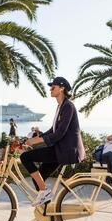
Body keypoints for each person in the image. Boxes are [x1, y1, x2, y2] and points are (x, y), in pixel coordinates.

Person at [20, 77, 86, 213]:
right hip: (60, 149)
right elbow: (53, 130)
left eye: (53, 87)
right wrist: (38, 136)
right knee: (39, 180)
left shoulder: (68, 106)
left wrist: (35, 141)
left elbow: (60, 133)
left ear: (61, 88)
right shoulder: (61, 106)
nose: (50, 89)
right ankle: (46, 212)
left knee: (26, 158)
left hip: (66, 150)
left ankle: (45, 194)